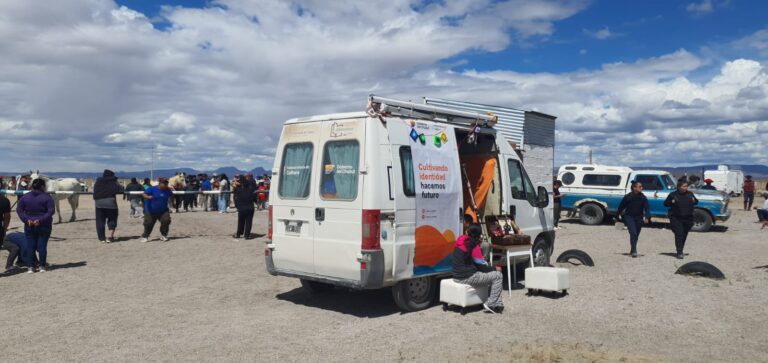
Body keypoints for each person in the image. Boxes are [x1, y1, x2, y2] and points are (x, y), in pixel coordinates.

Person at [452, 224, 504, 314]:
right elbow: (480, 266)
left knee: (493, 275)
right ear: (479, 234)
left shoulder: (461, 241)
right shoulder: (473, 245)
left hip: (456, 276)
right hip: (468, 277)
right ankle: (491, 304)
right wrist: (494, 268)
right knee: (498, 276)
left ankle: (498, 304)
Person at [16, 178, 55, 273]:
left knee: (30, 246)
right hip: (44, 225)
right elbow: (51, 211)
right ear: (42, 186)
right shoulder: (47, 197)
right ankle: (42, 265)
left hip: (29, 225)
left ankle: (30, 266)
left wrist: (26, 220)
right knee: (42, 245)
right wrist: (40, 220)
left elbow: (19, 210)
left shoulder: (25, 197)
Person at [664, 180, 698, 259]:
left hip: (688, 218)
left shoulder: (690, 194)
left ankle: (681, 249)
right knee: (679, 234)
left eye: (686, 186)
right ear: (679, 187)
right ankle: (679, 252)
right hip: (676, 218)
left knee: (684, 234)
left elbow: (696, 202)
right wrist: (671, 202)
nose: (686, 188)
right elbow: (665, 204)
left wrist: (694, 201)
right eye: (684, 186)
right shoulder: (673, 195)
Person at [617, 181, 650, 258]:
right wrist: (617, 216)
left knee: (636, 235)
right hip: (629, 217)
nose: (642, 188)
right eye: (640, 186)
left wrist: (647, 217)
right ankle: (634, 250)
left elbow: (647, 208)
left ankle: (632, 249)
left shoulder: (643, 197)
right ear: (634, 188)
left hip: (639, 218)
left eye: (642, 186)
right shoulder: (628, 197)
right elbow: (621, 207)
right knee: (633, 233)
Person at [93, 169, 124, 243]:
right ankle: (110, 237)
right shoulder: (113, 181)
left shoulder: (98, 181)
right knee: (112, 220)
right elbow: (121, 189)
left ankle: (102, 238)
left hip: (99, 203)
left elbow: (95, 190)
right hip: (111, 203)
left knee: (100, 221)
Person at [140, 178, 172, 243]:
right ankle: (145, 236)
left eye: (166, 183)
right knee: (148, 223)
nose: (166, 185)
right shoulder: (152, 189)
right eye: (164, 183)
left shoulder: (167, 190)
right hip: (150, 210)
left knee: (166, 221)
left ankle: (164, 235)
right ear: (159, 184)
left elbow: (171, 195)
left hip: (163, 210)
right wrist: (148, 197)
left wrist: (173, 203)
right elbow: (143, 194)